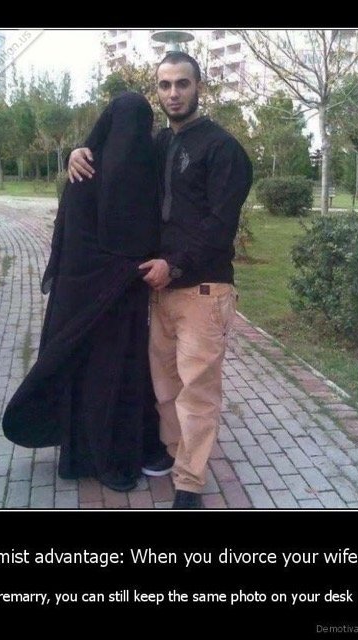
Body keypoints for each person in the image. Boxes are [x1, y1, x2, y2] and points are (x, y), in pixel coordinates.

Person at [68, 52, 253, 509]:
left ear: (199, 87)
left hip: (203, 291)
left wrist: (175, 264)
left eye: (182, 84)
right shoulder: (160, 144)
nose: (173, 93)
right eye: (165, 85)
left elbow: (219, 225)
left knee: (197, 392)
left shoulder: (222, 149)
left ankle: (189, 484)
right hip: (160, 291)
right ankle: (174, 453)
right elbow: (117, 159)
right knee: (166, 389)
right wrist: (80, 149)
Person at [3, 92, 166, 493]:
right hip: (91, 305)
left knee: (122, 379)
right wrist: (124, 269)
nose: (130, 140)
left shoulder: (150, 174)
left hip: (124, 304)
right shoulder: (85, 172)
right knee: (98, 378)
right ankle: (97, 457)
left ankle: (119, 451)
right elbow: (76, 249)